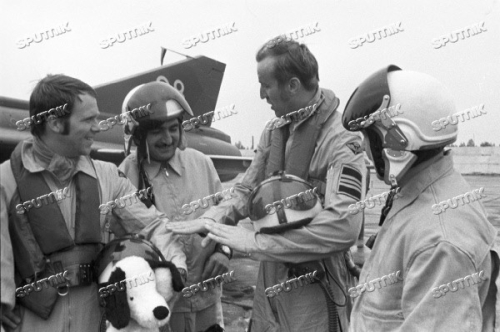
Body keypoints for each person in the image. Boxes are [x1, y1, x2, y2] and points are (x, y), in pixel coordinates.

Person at [167, 36, 367, 332]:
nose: (261, 94)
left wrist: (255, 243)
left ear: (293, 86)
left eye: (266, 85)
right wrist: (212, 218)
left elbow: (343, 226)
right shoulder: (274, 132)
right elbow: (246, 191)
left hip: (316, 282)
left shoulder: (341, 140)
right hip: (271, 275)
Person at [0, 75, 187, 332]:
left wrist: (177, 268)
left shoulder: (107, 176)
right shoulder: (5, 180)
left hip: (92, 317)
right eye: (88, 120)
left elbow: (153, 225)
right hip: (30, 320)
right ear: (55, 123)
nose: (97, 127)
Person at [342, 65, 499, 331]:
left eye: (370, 136)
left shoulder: (440, 241)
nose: (366, 148)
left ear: (400, 139)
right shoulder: (419, 193)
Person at [118, 81, 230, 332]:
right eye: (157, 131)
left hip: (207, 300)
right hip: (161, 308)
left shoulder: (201, 163)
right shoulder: (125, 176)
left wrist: (223, 250)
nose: (168, 139)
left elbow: (226, 215)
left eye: (173, 129)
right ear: (138, 135)